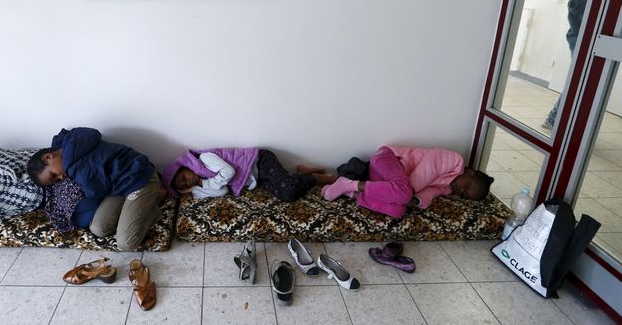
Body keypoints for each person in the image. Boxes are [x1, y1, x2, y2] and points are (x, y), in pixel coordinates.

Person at [27, 127, 164, 251]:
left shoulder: (76, 168)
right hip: (116, 186)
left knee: (126, 243)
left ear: (48, 156)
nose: (61, 178)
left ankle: (154, 199)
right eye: (56, 180)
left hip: (139, 177)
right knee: (99, 229)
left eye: (53, 175)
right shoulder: (66, 145)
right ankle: (138, 205)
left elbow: (94, 193)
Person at [320, 145, 494, 218]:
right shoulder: (453, 160)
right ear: (470, 173)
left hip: (385, 181)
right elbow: (422, 175)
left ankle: (350, 191)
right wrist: (406, 195)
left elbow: (428, 195)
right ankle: (347, 183)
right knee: (403, 194)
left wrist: (415, 200)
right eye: (468, 186)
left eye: (465, 195)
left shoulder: (447, 188)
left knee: (398, 210)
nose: (462, 191)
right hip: (387, 159)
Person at [161, 147, 337, 201]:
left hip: (260, 161)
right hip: (256, 179)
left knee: (289, 190)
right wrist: (193, 191)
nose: (188, 182)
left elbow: (229, 171)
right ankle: (301, 172)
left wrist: (204, 184)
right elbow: (222, 191)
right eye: (184, 185)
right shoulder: (203, 181)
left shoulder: (205, 158)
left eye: (184, 178)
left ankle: (315, 178)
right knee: (286, 195)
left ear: (185, 166)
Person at [543, 0, 592, 130]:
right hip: (583, 42)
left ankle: (557, 118)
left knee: (580, 82)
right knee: (579, 82)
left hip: (580, 40)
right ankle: (554, 119)